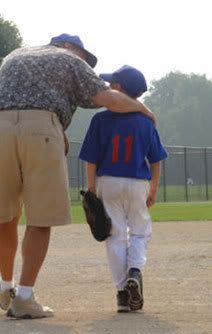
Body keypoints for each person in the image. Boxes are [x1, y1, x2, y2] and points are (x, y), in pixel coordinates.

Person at [0, 34, 155, 319]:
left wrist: (4, 125)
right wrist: (142, 108)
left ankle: (6, 286)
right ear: (70, 47)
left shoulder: (15, 55)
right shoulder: (69, 58)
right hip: (42, 126)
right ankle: (24, 297)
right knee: (40, 216)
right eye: (85, 56)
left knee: (6, 214)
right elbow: (109, 99)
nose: (86, 63)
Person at [79, 65, 167, 313]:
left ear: (118, 89)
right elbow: (157, 159)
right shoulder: (145, 120)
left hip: (108, 181)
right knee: (140, 231)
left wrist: (92, 189)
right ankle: (135, 272)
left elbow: (91, 160)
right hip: (138, 181)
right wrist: (153, 188)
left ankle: (121, 295)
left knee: (114, 235)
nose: (107, 88)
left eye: (111, 85)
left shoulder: (100, 119)